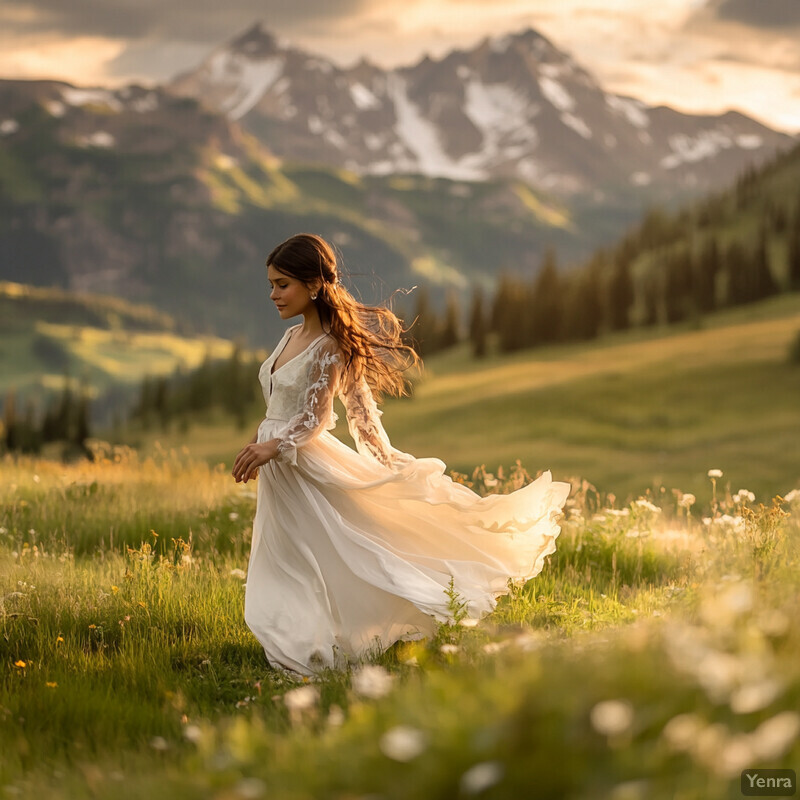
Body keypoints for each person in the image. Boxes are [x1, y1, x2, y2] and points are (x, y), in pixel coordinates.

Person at [232, 233, 571, 676]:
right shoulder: (290, 337)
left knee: (326, 552)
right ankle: (301, 638)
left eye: (283, 285)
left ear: (314, 284)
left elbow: (320, 417)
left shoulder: (331, 345)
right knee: (289, 556)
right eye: (272, 284)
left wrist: (383, 464)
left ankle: (308, 647)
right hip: (280, 466)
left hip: (303, 464)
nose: (273, 294)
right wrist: (267, 446)